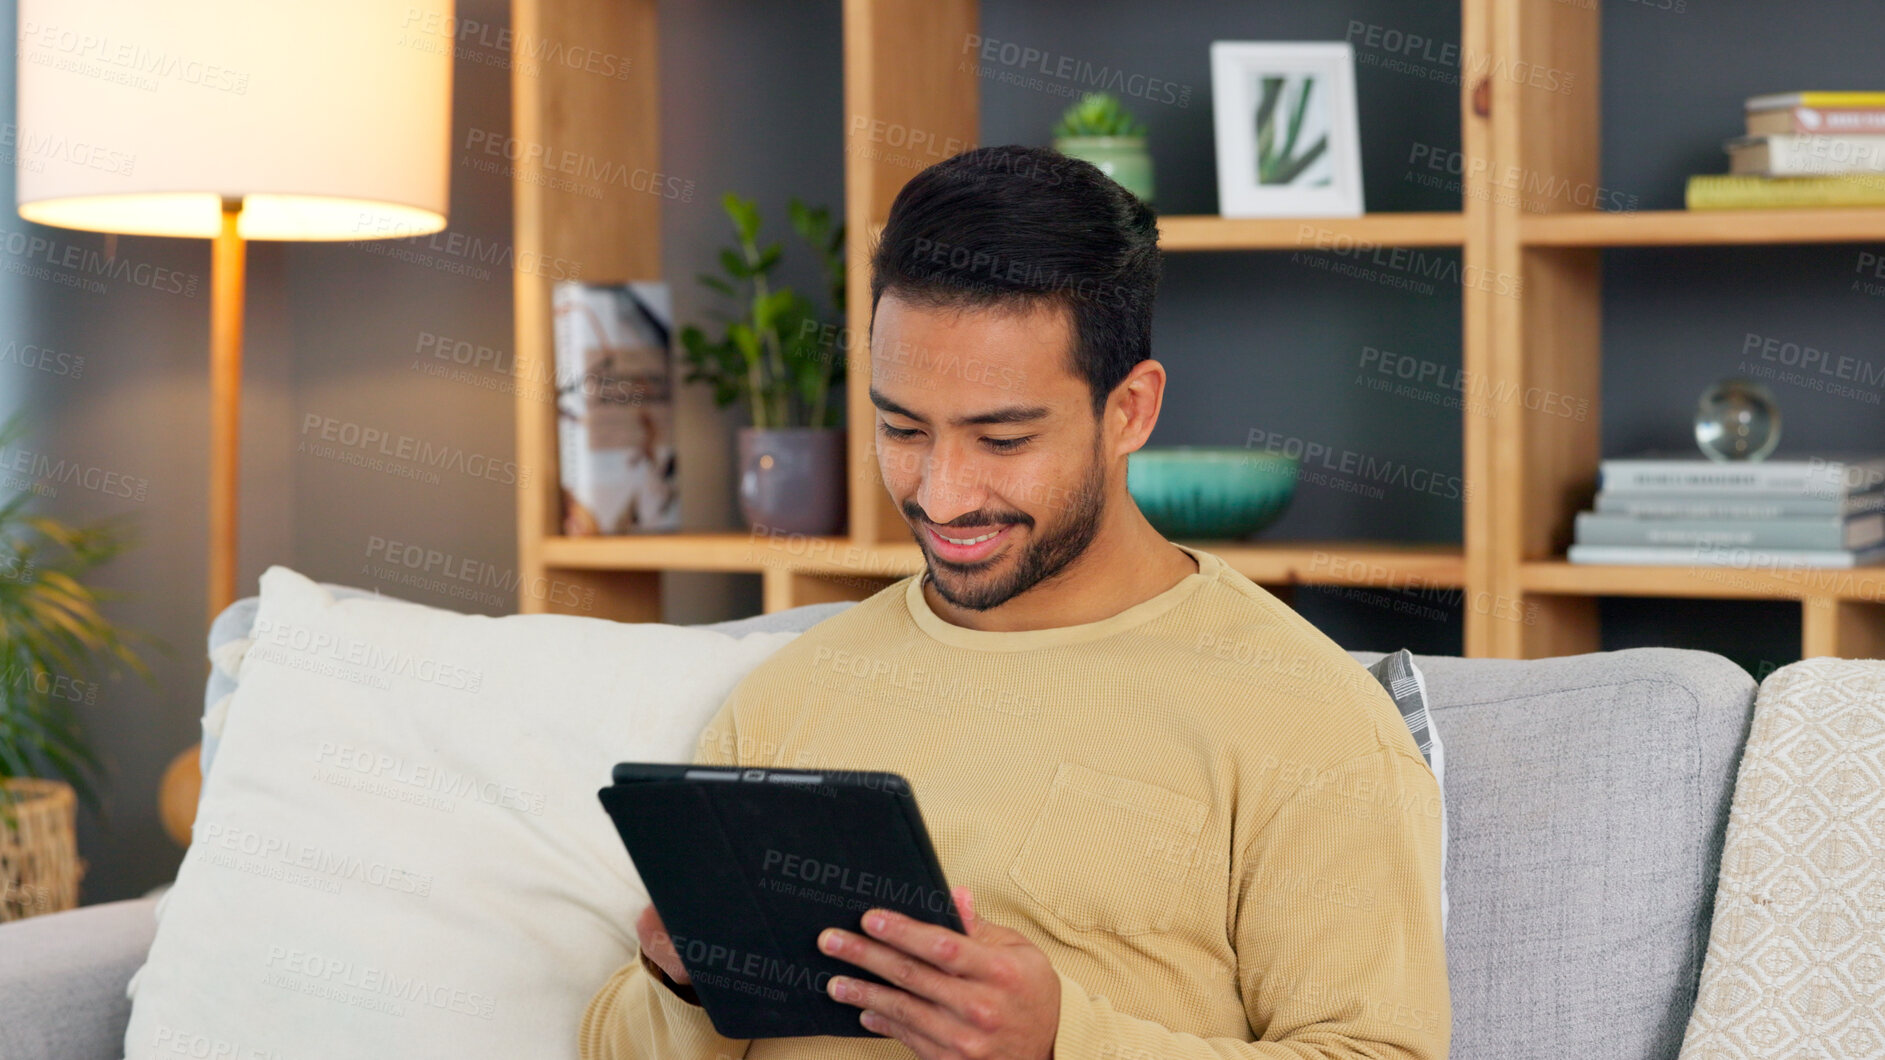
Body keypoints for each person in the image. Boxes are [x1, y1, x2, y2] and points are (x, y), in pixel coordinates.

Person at [579, 144, 1449, 1060]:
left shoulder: (1304, 716)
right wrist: (680, 984)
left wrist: (1062, 1042)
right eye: (901, 429)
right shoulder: (791, 696)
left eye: (1001, 439)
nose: (943, 494)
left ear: (1130, 412)